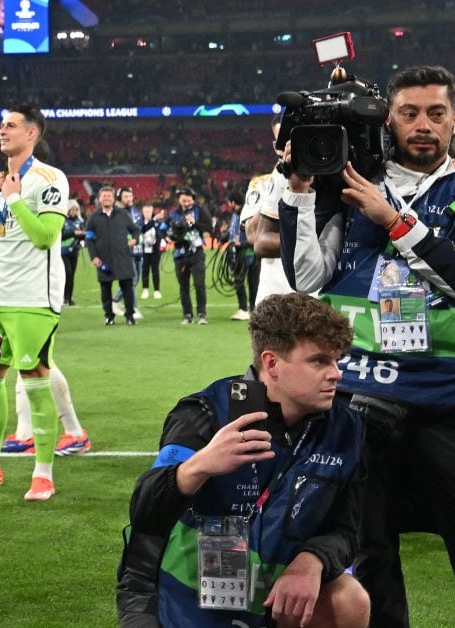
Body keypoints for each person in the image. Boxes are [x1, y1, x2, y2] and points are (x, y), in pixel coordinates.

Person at [279, 65, 455, 627]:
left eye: (436, 113)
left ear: (454, 121)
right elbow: (309, 276)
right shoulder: (348, 180)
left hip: (443, 401)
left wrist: (391, 219)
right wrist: (294, 186)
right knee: (370, 551)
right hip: (358, 398)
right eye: (409, 113)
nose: (423, 125)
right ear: (389, 120)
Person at [117, 293, 371, 628]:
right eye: (319, 361)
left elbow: (346, 530)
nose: (336, 374)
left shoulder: (345, 428)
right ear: (271, 363)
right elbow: (144, 512)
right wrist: (199, 466)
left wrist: (313, 560)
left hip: (268, 593)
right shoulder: (205, 413)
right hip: (172, 595)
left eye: (338, 361)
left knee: (348, 599)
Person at [0, 104, 69, 501]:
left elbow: (46, 236)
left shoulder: (50, 179)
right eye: (1, 125)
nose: (2, 131)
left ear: (32, 133)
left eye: (11, 125)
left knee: (33, 380)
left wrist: (13, 199)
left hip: (34, 299)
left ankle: (43, 474)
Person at [241, 116, 297, 307]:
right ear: (276, 146)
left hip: (314, 291)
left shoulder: (325, 182)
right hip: (274, 293)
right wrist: (279, 181)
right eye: (283, 141)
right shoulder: (261, 184)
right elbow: (252, 235)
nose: (289, 145)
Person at [85, 183, 140, 326]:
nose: (107, 198)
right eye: (104, 196)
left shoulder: (123, 214)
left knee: (127, 288)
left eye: (109, 196)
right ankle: (109, 316)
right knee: (105, 290)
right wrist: (94, 257)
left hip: (123, 257)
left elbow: (135, 230)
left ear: (114, 198)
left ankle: (130, 316)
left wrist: (135, 239)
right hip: (103, 259)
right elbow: (89, 239)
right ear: (99, 199)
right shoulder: (93, 217)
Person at [168, 188, 212, 324]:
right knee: (183, 286)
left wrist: (195, 222)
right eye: (183, 200)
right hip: (180, 254)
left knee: (199, 284)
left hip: (196, 253)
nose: (186, 203)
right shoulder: (173, 213)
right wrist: (169, 238)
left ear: (193, 199)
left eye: (188, 200)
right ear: (179, 200)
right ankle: (187, 315)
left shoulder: (200, 210)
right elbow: (163, 230)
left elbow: (209, 227)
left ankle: (201, 314)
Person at [111, 186, 144, 317]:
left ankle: (115, 300)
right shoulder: (117, 212)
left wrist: (153, 221)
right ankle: (133, 308)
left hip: (138, 249)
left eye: (130, 196)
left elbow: (140, 228)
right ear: (119, 198)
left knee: (135, 280)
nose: (129, 198)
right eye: (126, 196)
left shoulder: (135, 210)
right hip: (125, 250)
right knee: (132, 278)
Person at [227, 191, 258, 321]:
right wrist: (224, 238)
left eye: (230, 203)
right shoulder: (235, 215)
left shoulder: (248, 214)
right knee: (243, 282)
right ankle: (248, 309)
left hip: (248, 253)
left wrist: (242, 244)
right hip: (240, 254)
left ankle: (248, 309)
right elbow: (232, 231)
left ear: (233, 202)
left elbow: (256, 235)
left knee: (250, 283)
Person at [59, 199, 84, 305]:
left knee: (72, 275)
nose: (74, 211)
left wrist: (83, 235)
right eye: (72, 209)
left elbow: (83, 233)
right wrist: (73, 233)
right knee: (67, 274)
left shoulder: (79, 221)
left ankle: (69, 298)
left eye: (76, 209)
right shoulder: (62, 220)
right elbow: (61, 235)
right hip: (63, 251)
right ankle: (63, 297)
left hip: (74, 251)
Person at [138, 204, 165, 299]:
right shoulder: (140, 223)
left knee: (155, 270)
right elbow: (141, 231)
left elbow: (162, 234)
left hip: (155, 250)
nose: (147, 213)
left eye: (149, 211)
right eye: (145, 211)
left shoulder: (158, 223)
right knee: (144, 270)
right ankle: (145, 290)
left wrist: (163, 241)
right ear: (142, 212)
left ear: (152, 212)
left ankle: (156, 290)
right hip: (144, 250)